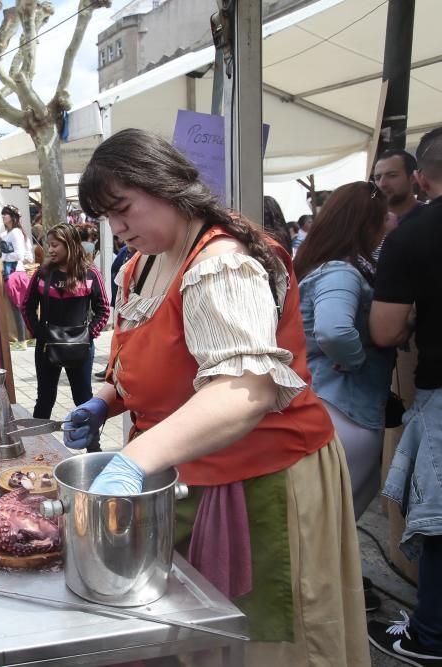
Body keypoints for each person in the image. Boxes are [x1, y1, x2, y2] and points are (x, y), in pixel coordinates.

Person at [67, 128, 368, 665]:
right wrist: (107, 400)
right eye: (105, 216)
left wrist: (132, 460)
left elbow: (243, 391)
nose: (115, 227)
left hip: (262, 478)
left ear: (166, 187)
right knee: (199, 637)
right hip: (188, 475)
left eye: (123, 209)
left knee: (266, 641)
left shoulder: (222, 262)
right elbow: (153, 362)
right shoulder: (140, 267)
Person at [368, 127, 442, 664]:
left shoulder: (414, 235)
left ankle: (430, 636)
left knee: (438, 521)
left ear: (420, 178)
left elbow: (386, 330)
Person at [295, 182, 394, 519]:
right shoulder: (341, 271)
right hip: (344, 406)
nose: (386, 227)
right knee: (332, 519)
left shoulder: (324, 266)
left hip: (333, 404)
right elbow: (333, 330)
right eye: (382, 219)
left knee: (327, 517)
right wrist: (356, 359)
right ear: (367, 224)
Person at [23, 223, 109, 448]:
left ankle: (93, 451)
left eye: (55, 245)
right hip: (47, 347)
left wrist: (88, 335)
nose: (50, 250)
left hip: (80, 349)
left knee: (84, 401)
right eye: (48, 245)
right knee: (45, 399)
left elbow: (103, 309)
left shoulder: (90, 273)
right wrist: (40, 333)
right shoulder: (43, 274)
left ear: (69, 245)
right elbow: (27, 306)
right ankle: (36, 448)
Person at [0, 205, 30, 349]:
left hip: (15, 273)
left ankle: (22, 341)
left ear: (13, 217)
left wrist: (3, 256)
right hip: (13, 272)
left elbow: (20, 255)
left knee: (17, 307)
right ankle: (24, 339)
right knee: (19, 307)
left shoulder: (15, 232)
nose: (3, 216)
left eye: (6, 214)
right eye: (3, 214)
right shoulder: (9, 232)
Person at [373, 148, 422, 224]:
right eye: (377, 178)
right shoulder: (367, 220)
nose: (382, 184)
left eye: (392, 175)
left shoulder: (432, 218)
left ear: (412, 178)